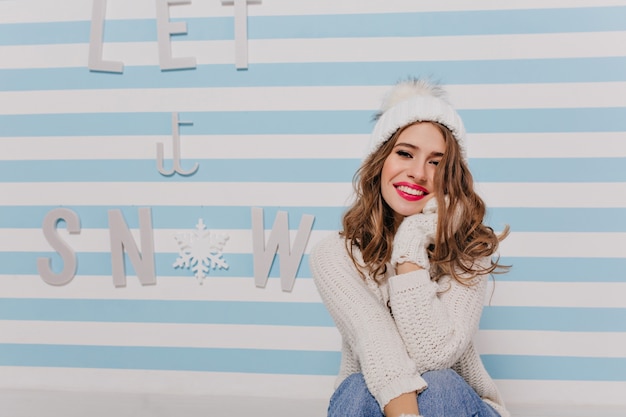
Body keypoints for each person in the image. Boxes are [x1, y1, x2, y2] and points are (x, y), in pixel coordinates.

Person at [310, 78, 510, 417]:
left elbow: (432, 353)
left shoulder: (469, 251)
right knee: (358, 388)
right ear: (380, 161)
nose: (419, 173)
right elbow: (376, 345)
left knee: (440, 385)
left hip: (460, 406)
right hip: (377, 403)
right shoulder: (335, 255)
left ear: (451, 177)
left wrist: (410, 240)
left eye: (437, 162)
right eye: (405, 153)